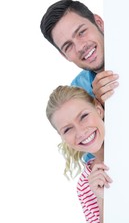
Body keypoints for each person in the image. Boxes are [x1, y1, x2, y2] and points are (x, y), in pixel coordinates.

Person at [46, 85, 112, 223]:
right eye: (68, 129)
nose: (81, 132)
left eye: (83, 116)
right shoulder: (85, 186)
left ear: (99, 110)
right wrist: (102, 198)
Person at [40, 0, 119, 106]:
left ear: (99, 23)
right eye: (68, 46)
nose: (80, 47)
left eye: (81, 32)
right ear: (64, 56)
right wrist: (100, 106)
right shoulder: (77, 94)